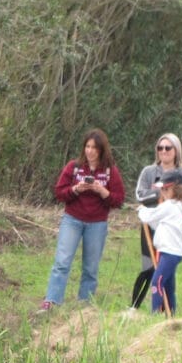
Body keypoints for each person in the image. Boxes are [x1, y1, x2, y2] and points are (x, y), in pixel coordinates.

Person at [39, 129, 126, 312]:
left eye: (94, 147)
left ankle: (84, 306)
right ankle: (52, 301)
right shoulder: (74, 167)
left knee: (90, 268)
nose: (90, 151)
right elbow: (59, 192)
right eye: (87, 146)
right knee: (62, 262)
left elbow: (119, 199)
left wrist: (102, 191)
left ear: (102, 150)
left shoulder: (110, 171)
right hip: (72, 220)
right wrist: (76, 189)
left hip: (97, 223)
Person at [131, 134, 182, 308]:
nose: (164, 151)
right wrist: (156, 196)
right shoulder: (149, 171)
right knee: (148, 266)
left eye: (168, 148)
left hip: (173, 226)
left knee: (166, 272)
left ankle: (165, 310)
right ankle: (135, 305)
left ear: (176, 151)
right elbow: (140, 194)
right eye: (160, 148)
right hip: (151, 224)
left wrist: (174, 196)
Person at [136, 173, 182, 315]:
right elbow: (157, 223)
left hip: (171, 252)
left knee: (157, 282)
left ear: (175, 189)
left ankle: (155, 314)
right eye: (161, 190)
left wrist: (142, 210)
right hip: (168, 250)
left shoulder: (171, 206)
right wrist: (146, 214)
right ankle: (171, 315)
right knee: (168, 285)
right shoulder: (177, 206)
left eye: (165, 190)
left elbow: (150, 216)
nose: (162, 193)